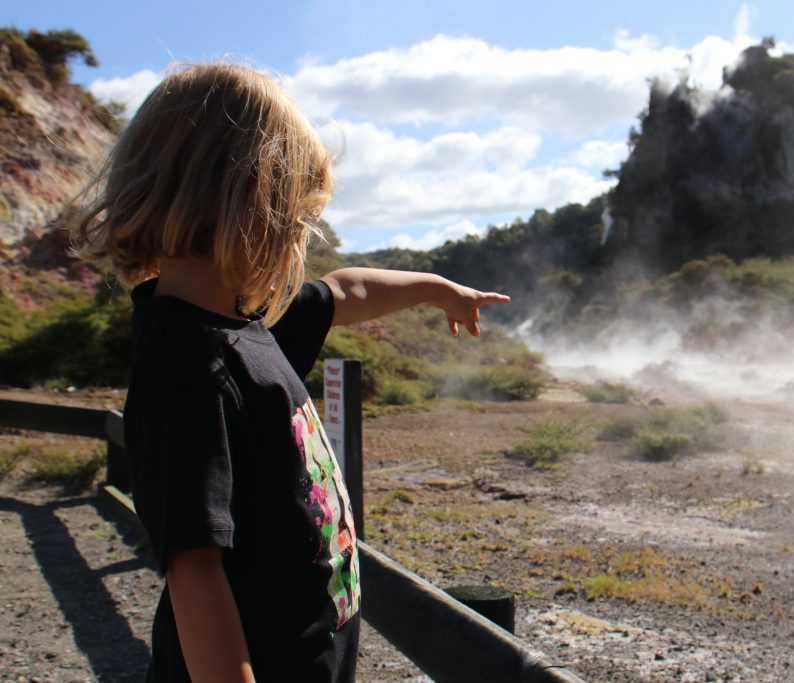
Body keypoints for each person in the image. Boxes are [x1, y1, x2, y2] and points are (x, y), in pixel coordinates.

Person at [72, 62, 509, 683]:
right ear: (250, 207)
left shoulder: (245, 325)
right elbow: (195, 570)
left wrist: (439, 289)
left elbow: (346, 289)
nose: (298, 240)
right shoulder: (188, 364)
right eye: (296, 220)